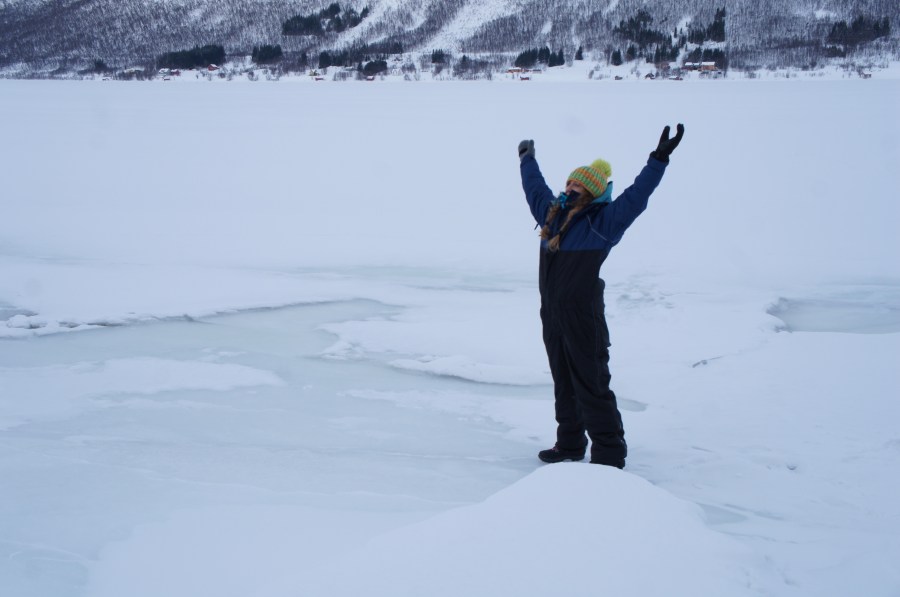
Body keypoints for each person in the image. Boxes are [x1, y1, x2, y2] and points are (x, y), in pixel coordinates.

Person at [518, 124, 684, 468]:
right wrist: (526, 160)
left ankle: (609, 453)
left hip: (583, 318)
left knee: (591, 384)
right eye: (569, 182)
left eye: (578, 185)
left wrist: (658, 160)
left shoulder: (602, 222)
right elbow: (535, 189)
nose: (570, 188)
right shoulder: (551, 215)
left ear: (592, 193)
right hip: (552, 316)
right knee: (564, 382)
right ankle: (570, 445)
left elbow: (636, 197)